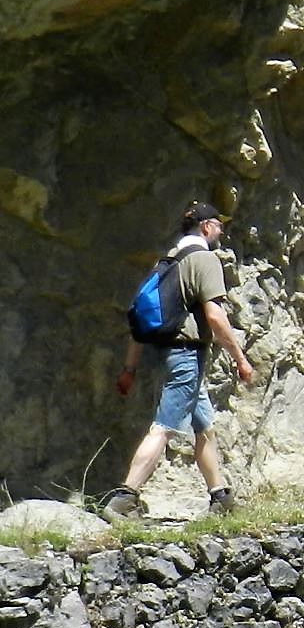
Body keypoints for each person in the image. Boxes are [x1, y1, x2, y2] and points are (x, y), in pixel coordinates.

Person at [101, 202, 255, 518]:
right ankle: (124, 498)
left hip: (168, 352)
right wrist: (240, 359)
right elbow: (215, 316)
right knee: (164, 428)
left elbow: (140, 322)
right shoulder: (204, 260)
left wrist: (130, 368)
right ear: (206, 227)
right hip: (187, 356)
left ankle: (219, 497)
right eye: (219, 224)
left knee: (204, 426)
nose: (222, 230)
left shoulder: (168, 262)